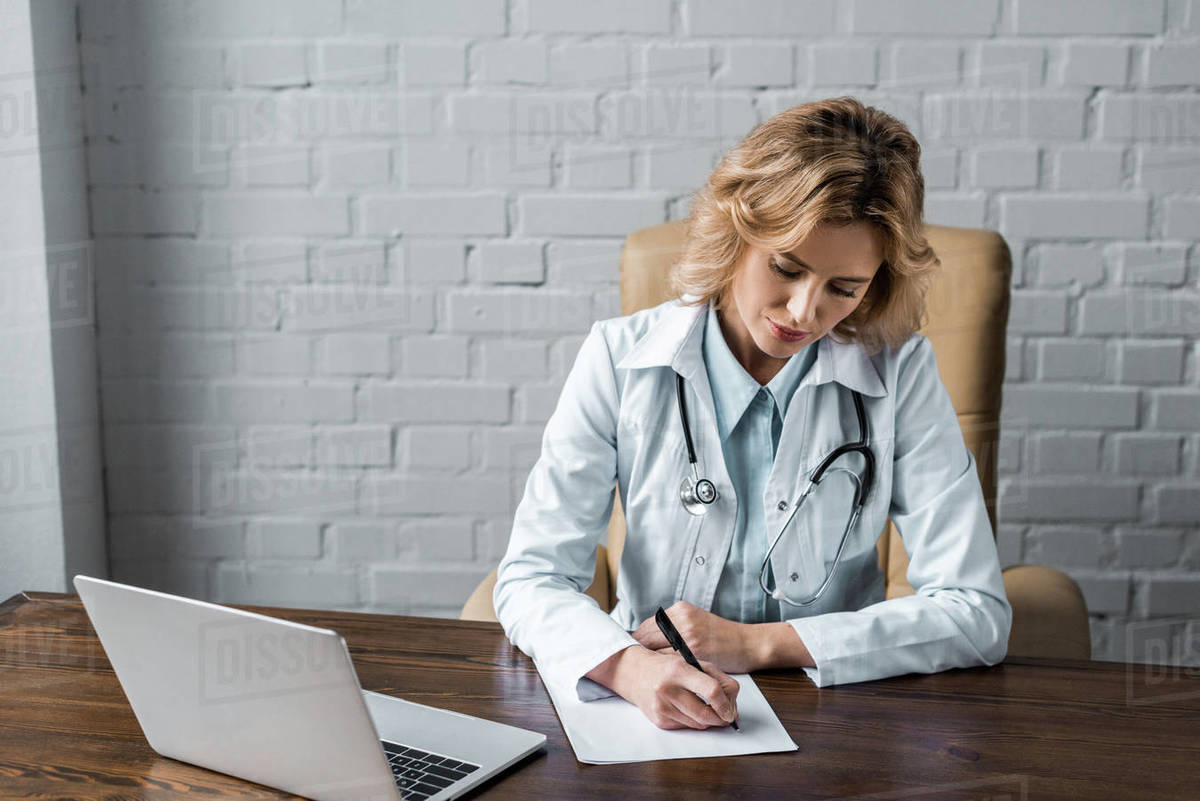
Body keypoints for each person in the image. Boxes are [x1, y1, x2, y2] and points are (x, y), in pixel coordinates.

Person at [494, 96, 1012, 732]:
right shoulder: (618, 358)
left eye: (843, 289)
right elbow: (530, 579)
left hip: (835, 714)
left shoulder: (900, 373)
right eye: (786, 268)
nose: (803, 311)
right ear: (737, 231)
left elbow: (976, 613)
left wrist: (759, 645)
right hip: (651, 709)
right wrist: (628, 668)